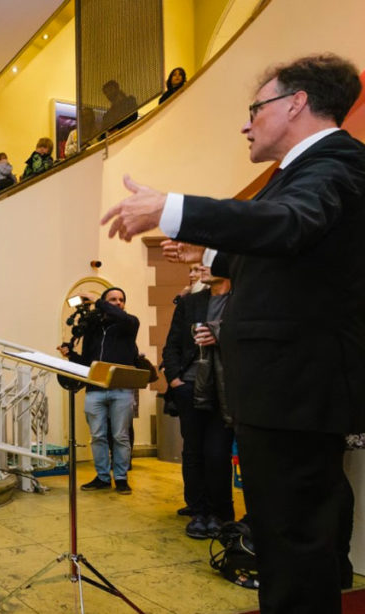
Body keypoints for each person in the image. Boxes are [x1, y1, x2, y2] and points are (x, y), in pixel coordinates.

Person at [101, 54, 364, 613]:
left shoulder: (336, 165)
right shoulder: (296, 175)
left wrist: (172, 208)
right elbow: (284, 254)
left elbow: (289, 226)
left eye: (256, 108)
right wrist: (211, 251)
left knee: (296, 545)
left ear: (296, 104)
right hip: (281, 393)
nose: (247, 123)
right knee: (280, 539)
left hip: (296, 391)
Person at [161, 265, 234, 538]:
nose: (200, 267)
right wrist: (174, 379)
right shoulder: (191, 302)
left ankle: (221, 513)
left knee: (217, 452)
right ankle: (198, 511)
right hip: (188, 386)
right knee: (193, 452)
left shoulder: (238, 300)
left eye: (208, 259)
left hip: (224, 387)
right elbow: (172, 344)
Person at [57, 288, 139, 494]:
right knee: (98, 436)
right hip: (95, 390)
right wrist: (71, 355)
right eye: (113, 299)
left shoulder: (129, 324)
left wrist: (98, 301)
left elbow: (120, 315)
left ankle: (121, 478)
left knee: (120, 436)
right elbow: (87, 362)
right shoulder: (93, 329)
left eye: (121, 299)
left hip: (122, 390)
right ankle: (102, 477)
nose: (118, 303)